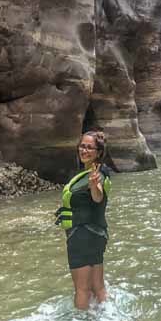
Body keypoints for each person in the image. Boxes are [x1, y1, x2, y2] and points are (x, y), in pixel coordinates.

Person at [54, 131, 112, 309]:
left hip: (82, 236)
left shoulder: (96, 174)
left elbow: (97, 197)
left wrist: (95, 187)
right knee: (98, 287)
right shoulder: (90, 172)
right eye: (82, 146)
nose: (84, 150)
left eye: (89, 147)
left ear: (98, 152)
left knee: (82, 290)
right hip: (96, 235)